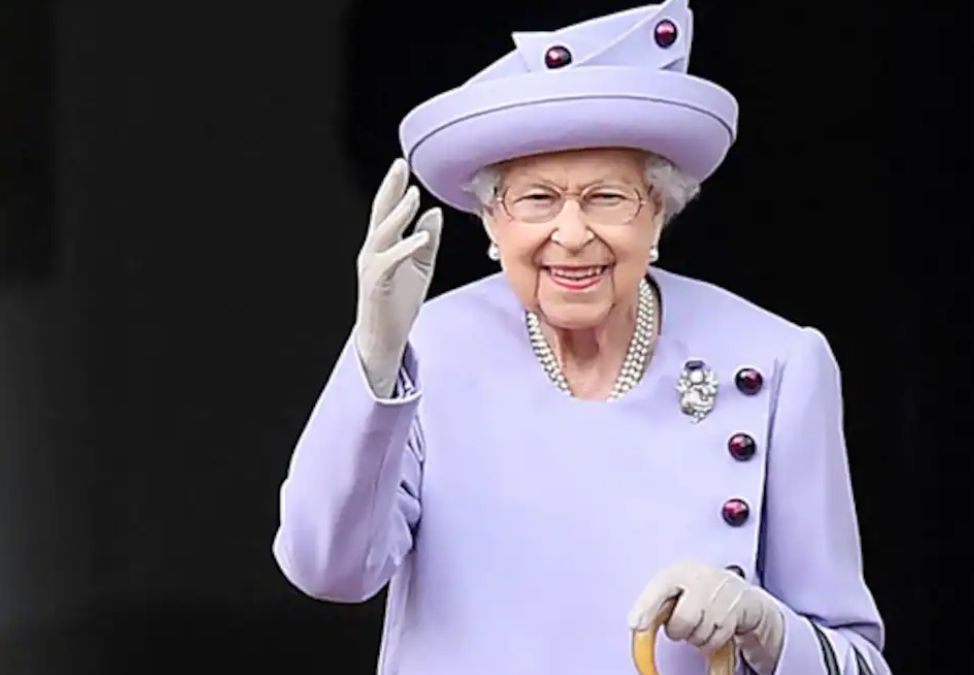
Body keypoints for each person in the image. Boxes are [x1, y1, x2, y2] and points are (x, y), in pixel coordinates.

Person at [271, 1, 890, 673]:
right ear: (491, 220)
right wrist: (375, 355)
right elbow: (327, 569)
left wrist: (766, 627)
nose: (570, 234)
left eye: (607, 198)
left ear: (659, 211)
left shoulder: (776, 361)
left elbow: (858, 661)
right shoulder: (428, 348)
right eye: (537, 199)